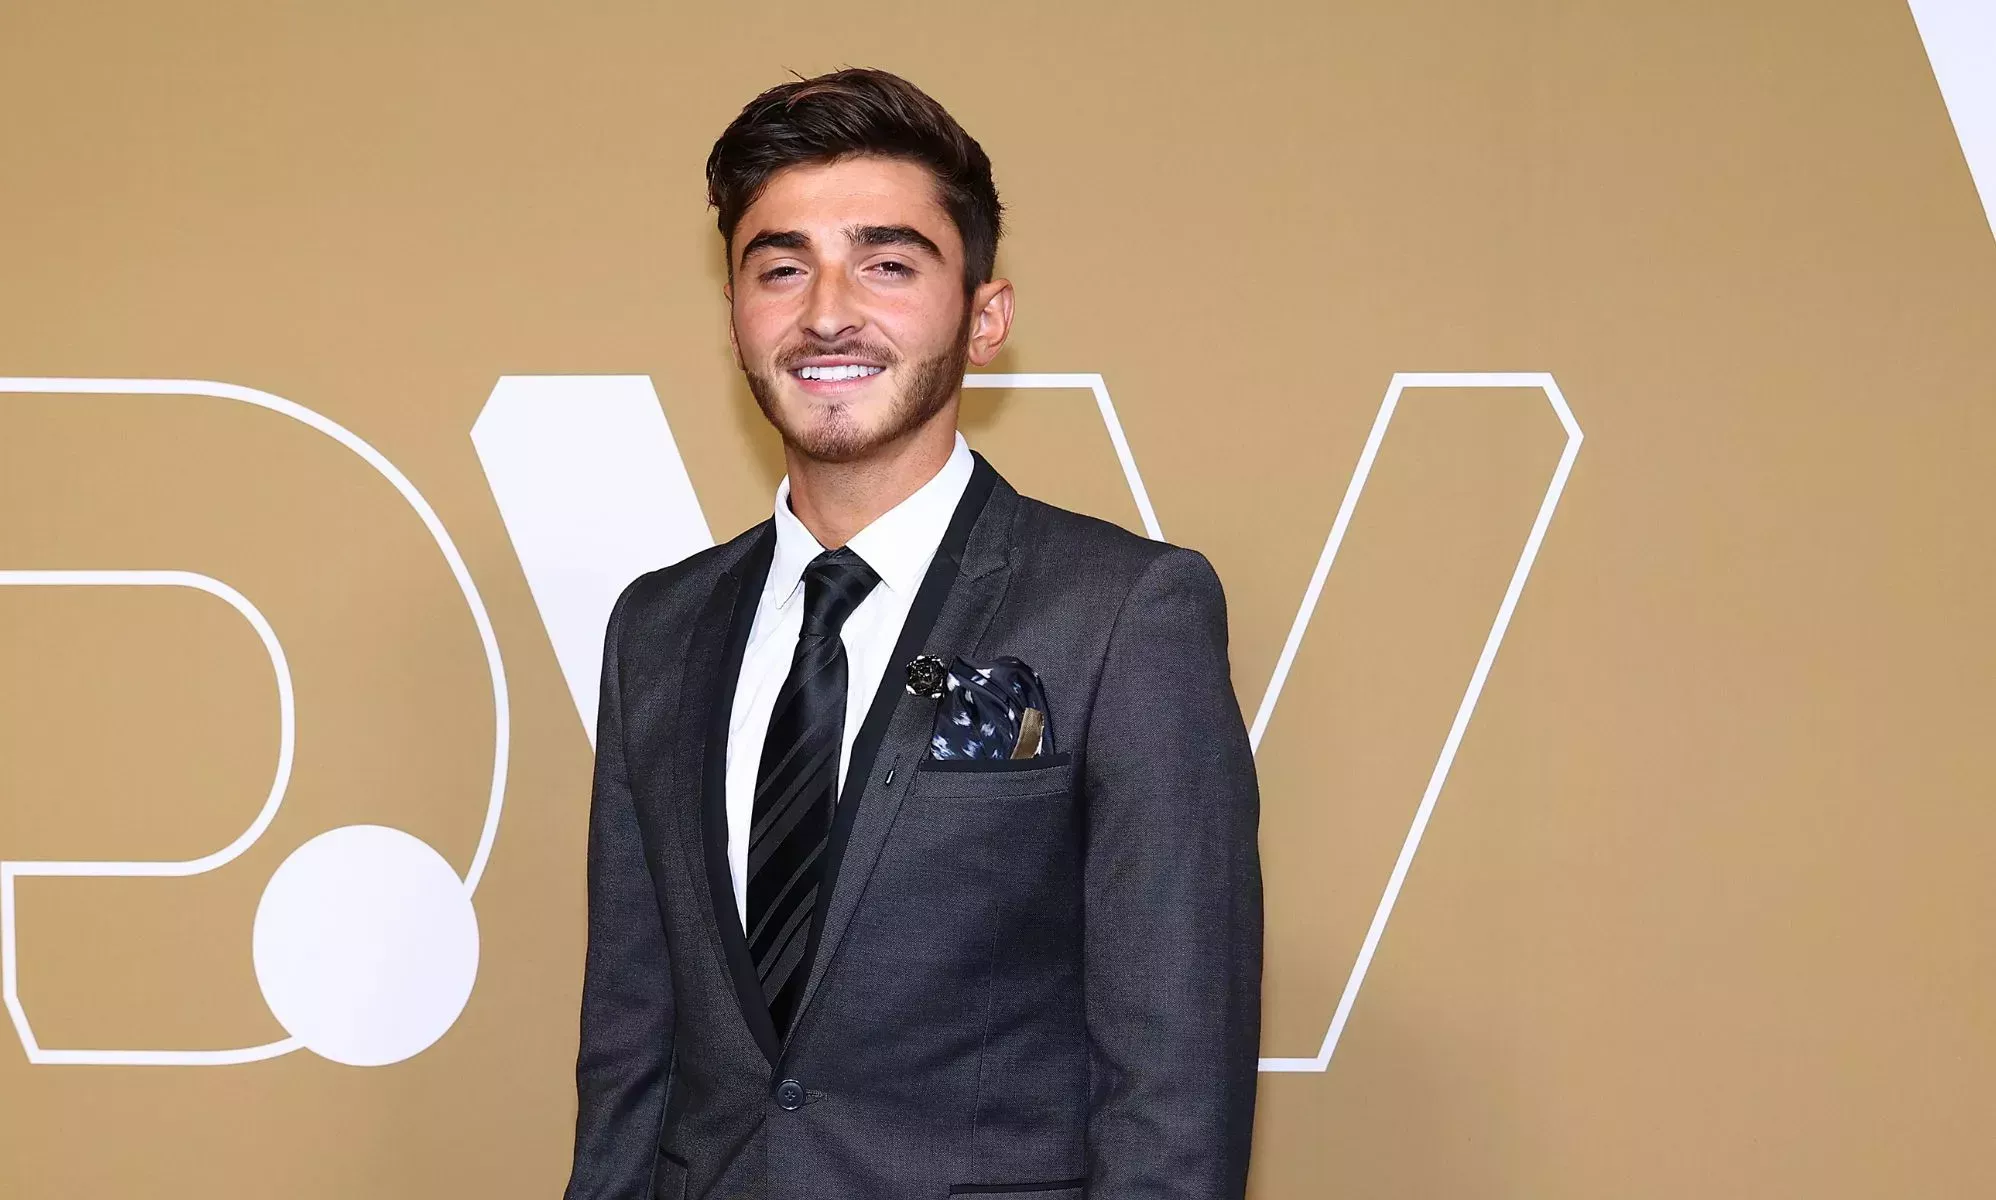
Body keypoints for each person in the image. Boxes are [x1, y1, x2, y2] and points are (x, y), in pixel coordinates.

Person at [563, 67, 1262, 1200]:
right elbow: (627, 1049)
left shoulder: (1125, 611)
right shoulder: (659, 627)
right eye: (782, 267)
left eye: (887, 264)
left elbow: (1173, 1082)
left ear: (985, 318)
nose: (826, 311)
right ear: (736, 315)